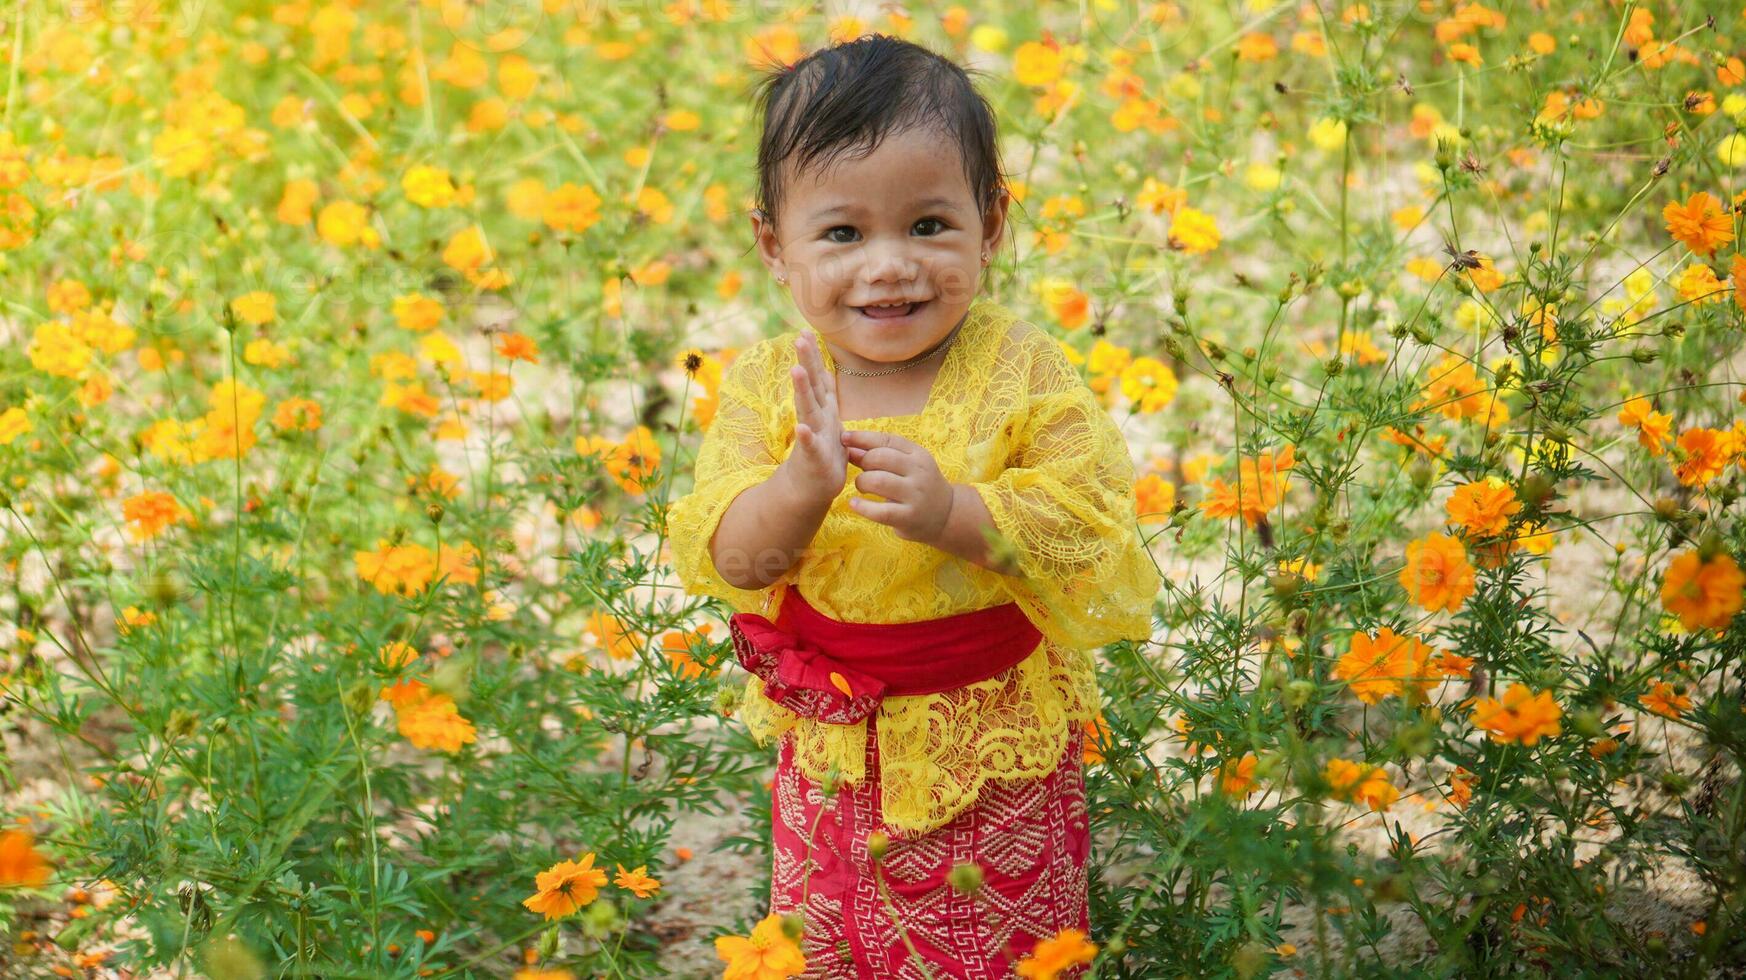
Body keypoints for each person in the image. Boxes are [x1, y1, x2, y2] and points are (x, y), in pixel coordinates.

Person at [667, 34, 1160, 979]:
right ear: (774, 244)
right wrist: (798, 490)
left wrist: (959, 514)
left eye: (929, 225)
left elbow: (1087, 526)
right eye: (843, 234)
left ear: (992, 225)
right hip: (834, 750)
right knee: (833, 940)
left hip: (992, 747)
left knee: (1008, 946)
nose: (889, 267)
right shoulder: (773, 385)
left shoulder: (1021, 369)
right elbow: (735, 560)